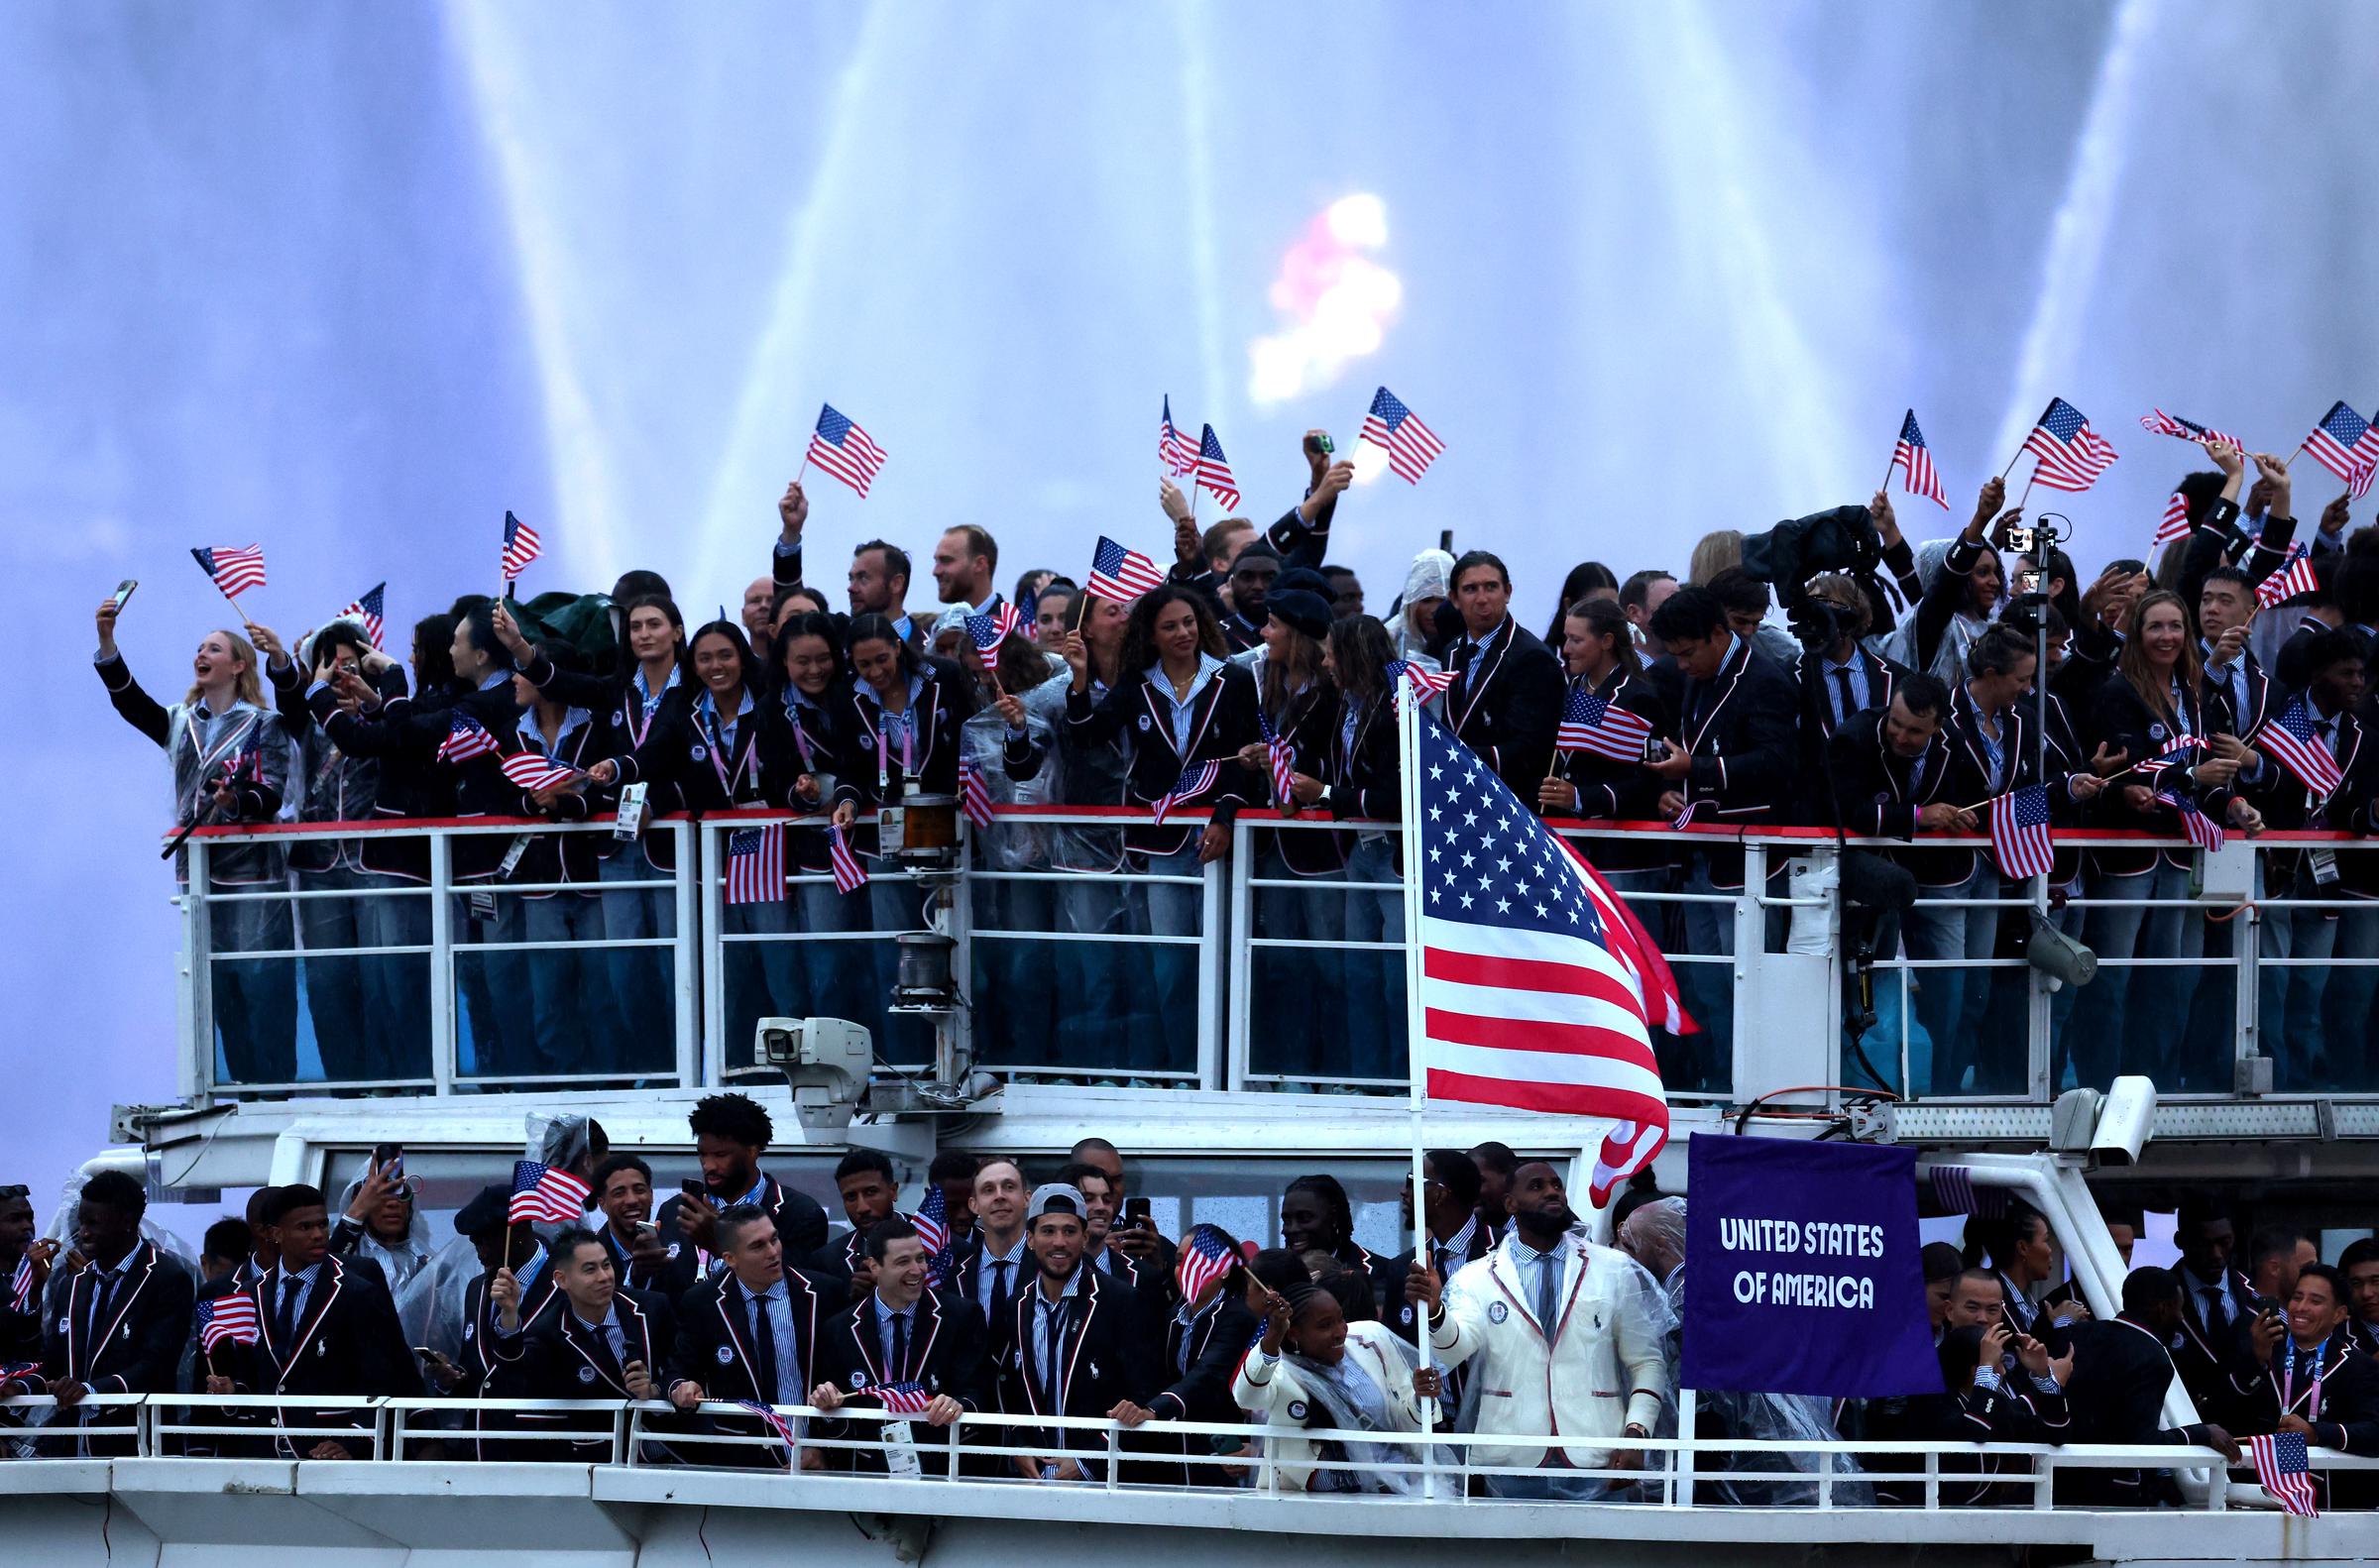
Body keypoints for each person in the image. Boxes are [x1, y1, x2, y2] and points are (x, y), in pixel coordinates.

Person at [94, 601, 296, 1084]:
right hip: (198, 871)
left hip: (252, 872)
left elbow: (270, 795)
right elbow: (129, 701)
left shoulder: (263, 724)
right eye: (199, 648)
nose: (200, 654)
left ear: (239, 664)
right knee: (215, 982)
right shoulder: (181, 722)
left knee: (259, 977)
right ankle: (238, 1080)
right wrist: (107, 640)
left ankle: (275, 1082)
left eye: (213, 648)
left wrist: (234, 801)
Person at [1063, 585, 1260, 1073]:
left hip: (1221, 840)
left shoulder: (1232, 679)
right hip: (1163, 842)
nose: (1183, 633)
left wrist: (1226, 816)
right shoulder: (1137, 683)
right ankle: (1185, 1068)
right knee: (1172, 966)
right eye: (1170, 626)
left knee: (1227, 960)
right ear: (1151, 633)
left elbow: (1247, 758)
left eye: (1189, 623)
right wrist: (1080, 679)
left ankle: (1229, 1068)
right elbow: (1088, 734)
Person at [502, 593, 689, 1058]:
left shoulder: (694, 689)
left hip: (671, 848)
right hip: (617, 849)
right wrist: (520, 646)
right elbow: (556, 679)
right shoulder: (619, 690)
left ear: (677, 632)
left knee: (677, 966)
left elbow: (673, 754)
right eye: (636, 627)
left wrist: (627, 772)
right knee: (624, 970)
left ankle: (690, 1065)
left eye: (654, 625)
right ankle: (654, 1065)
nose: (644, 634)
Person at [1436, 1161, 1670, 1500]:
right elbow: (1453, 1351)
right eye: (1536, 1186)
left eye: (1556, 1185)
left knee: (1601, 1554)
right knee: (1514, 1553)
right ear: (1510, 1204)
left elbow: (1647, 1362)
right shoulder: (1475, 1278)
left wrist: (1637, 1433)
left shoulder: (1614, 1269)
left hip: (1600, 1454)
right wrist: (1433, 1312)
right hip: (1510, 1455)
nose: (1552, 1192)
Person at [248, 617, 413, 1084]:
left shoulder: (384, 713)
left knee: (383, 977)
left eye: (348, 663)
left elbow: (401, 738)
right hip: (319, 865)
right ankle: (346, 1082)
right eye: (330, 664)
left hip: (372, 861)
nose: (340, 673)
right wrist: (283, 660)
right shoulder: (306, 718)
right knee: (327, 980)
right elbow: (288, 699)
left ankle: (390, 1082)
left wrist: (372, 699)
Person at [1618, 1196, 1864, 1506]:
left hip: (1739, 1471)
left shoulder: (1682, 1303)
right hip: (1774, 1460)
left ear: (1660, 1244)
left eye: (1631, 1246)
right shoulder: (1730, 1287)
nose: (1623, 1258)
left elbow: (1701, 1404)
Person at [1646, 583, 1798, 1083]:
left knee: (1747, 984)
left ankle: (1754, 1085)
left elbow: (1780, 763)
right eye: (1675, 656)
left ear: (1718, 633)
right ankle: (1720, 1083)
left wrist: (1700, 768)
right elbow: (1695, 755)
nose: (1682, 666)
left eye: (1688, 654)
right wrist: (1677, 788)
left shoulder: (1764, 679)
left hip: (1750, 862)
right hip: (1704, 853)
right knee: (1707, 984)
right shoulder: (1699, 675)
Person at [204, 1182, 411, 1460]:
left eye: (323, 1225)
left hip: (329, 1452)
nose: (318, 1235)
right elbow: (255, 1377)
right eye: (305, 1228)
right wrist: (232, 1392)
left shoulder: (356, 1290)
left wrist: (354, 1439)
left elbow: (383, 1376)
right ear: (276, 1234)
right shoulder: (250, 1292)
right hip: (265, 1451)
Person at [991, 1184, 1154, 1482]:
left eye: (1069, 1231)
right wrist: (1018, 1446)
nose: (1059, 1242)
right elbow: (1012, 1389)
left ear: (1084, 1237)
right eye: (1048, 1231)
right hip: (1034, 1478)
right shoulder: (1017, 1305)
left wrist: (1087, 1461)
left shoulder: (1120, 1299)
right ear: (1029, 1239)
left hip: (1105, 1481)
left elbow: (1143, 1395)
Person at [23, 1172, 191, 1455]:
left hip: (136, 1448)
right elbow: (53, 1360)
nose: (83, 1233)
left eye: (93, 1223)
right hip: (69, 1447)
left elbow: (157, 1363)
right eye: (82, 1222)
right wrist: (22, 1386)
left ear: (126, 1222)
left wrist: (92, 1390)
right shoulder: (72, 1283)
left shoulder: (168, 1277)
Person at [1232, 1275, 1445, 1494]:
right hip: (1309, 1504)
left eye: (1340, 1319)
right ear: (1294, 1334)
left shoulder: (1370, 1339)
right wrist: (1274, 1333)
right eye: (1325, 1325)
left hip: (1394, 1489)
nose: (1340, 1331)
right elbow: (1247, 1397)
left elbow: (1402, 1422)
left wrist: (1421, 1398)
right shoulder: (1278, 1371)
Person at [664, 1203, 836, 1470]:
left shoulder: (826, 1292)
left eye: (774, 1239)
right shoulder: (703, 1302)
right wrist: (680, 1387)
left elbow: (846, 1372)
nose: (773, 1252)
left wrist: (829, 1452)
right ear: (730, 1258)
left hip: (818, 1455)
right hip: (740, 1461)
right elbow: (678, 1369)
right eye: (758, 1246)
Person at [808, 1218, 984, 1473]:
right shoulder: (839, 1329)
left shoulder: (962, 1315)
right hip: (869, 1475)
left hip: (943, 1468)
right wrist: (826, 1399)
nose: (917, 1270)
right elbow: (833, 1416)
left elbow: (977, 1391)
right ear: (874, 1267)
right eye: (903, 1262)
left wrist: (959, 1404)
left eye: (921, 1258)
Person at [2059, 1267, 2240, 1506]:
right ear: (2162, 1308)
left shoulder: (2079, 1332)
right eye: (2179, 1308)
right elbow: (2141, 1444)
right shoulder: (2152, 1358)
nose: (2182, 1317)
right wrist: (2200, 1433)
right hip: (2111, 1497)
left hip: (2059, 1483)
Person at [494, 1227, 673, 1462]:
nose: (604, 1277)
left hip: (672, 1452)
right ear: (561, 1279)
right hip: (601, 1461)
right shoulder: (550, 1331)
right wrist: (509, 1312)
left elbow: (683, 1366)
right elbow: (515, 1372)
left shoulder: (652, 1308)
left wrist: (654, 1392)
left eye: (606, 1265)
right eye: (590, 1270)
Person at [2230, 1262, 2379, 1508]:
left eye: (2315, 1301)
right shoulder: (2262, 1347)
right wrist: (2255, 1360)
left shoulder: (2359, 1366)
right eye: (2297, 1297)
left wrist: (2317, 1432)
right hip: (2256, 1498)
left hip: (2329, 1506)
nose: (2301, 1308)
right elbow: (2217, 1412)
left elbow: (2374, 1431)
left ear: (2339, 1314)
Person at [653, 1093, 833, 1281]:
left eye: (720, 1155)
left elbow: (796, 1292)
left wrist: (720, 1244)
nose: (708, 1166)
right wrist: (641, 1271)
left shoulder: (801, 1214)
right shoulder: (674, 1211)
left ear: (752, 1151)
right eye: (703, 1155)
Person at [1441, 550, 1565, 798]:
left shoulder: (1532, 657)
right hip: (1458, 798)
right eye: (1470, 589)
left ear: (1507, 592)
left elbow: (1530, 749)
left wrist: (1446, 758)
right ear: (1454, 598)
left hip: (1510, 805)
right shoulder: (1451, 651)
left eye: (1491, 587)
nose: (1482, 598)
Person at [1883, 477, 2014, 685]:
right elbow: (1943, 586)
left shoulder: (1994, 627)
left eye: (1996, 572)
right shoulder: (1934, 625)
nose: (1996, 582)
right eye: (1983, 573)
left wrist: (1889, 531)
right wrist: (1980, 519)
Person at [1385, 1150, 1492, 1337]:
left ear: (1440, 1195)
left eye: (1412, 1183)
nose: (1404, 1191)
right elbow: (1394, 1348)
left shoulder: (1505, 1252)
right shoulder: (1402, 1268)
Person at [2170, 1201, 2257, 1418]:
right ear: (2181, 1242)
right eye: (2204, 1244)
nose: (2216, 1254)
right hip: (2185, 1429)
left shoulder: (2256, 1296)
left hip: (2251, 1432)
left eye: (2224, 1242)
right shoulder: (2158, 1299)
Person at [1281, 1174, 1400, 1325]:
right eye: (1286, 1220)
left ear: (1334, 1218)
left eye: (1304, 1218)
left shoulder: (1384, 1273)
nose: (1292, 1229)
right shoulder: (1273, 1277)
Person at [950, 1158, 1031, 1359]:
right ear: (974, 1205)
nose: (999, 1196)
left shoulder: (1051, 1270)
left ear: (1027, 1198)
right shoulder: (953, 1278)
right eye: (988, 1190)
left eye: (1009, 1187)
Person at [590, 1154, 677, 1293]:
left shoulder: (673, 1250)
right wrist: (635, 1276)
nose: (631, 1200)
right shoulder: (587, 1257)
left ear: (651, 1195)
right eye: (619, 1193)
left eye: (639, 1190)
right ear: (602, 1204)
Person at [828, 1148, 905, 1289]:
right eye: (851, 1197)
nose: (862, 1208)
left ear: (893, 1191)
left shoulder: (937, 1244)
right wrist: (858, 1303)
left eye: (871, 1192)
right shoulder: (827, 1262)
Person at [0, 1183, 57, 1366]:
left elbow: (33, 1353)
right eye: (15, 1219)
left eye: (29, 1218)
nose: (27, 1226)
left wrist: (37, 1286)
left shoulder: (49, 1272)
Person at [929, 523, 1004, 625]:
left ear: (979, 564)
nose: (936, 572)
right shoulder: (932, 632)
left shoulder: (1013, 633)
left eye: (946, 560)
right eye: (936, 561)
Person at [1469, 1143, 1518, 1245]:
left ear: (1510, 1179)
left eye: (1478, 1181)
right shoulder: (1472, 1241)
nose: (1469, 1190)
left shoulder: (1537, 1236)